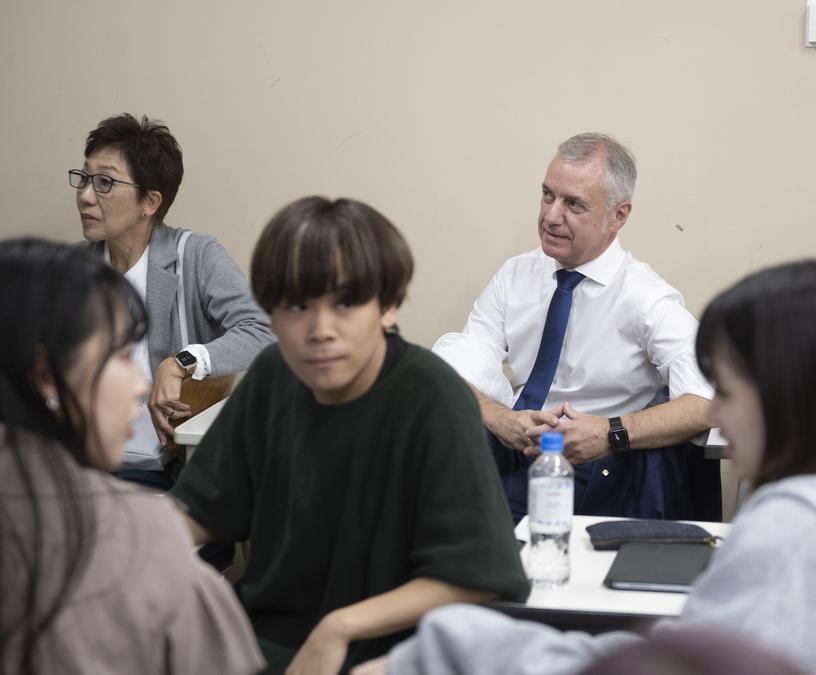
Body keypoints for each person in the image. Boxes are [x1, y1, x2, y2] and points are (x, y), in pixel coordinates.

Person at [367, 260, 816, 675]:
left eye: (728, 391)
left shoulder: (797, 526)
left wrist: (439, 646)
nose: (713, 412)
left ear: (789, 395)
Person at [168, 196, 530, 674]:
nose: (321, 330)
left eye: (345, 303)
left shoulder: (433, 397)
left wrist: (340, 627)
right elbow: (194, 512)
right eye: (297, 306)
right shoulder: (274, 376)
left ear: (387, 306)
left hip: (383, 652)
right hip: (260, 642)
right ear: (271, 317)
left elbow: (478, 575)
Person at [0, 239, 263, 674]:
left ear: (150, 201)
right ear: (46, 375)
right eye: (122, 357)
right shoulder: (142, 535)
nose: (139, 385)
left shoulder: (196, 254)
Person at [433, 132, 717, 521]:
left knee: (452, 516)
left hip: (592, 476)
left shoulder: (646, 297)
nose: (551, 216)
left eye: (574, 204)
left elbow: (707, 401)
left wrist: (612, 432)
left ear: (618, 215)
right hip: (509, 455)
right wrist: (501, 419)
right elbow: (452, 373)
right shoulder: (516, 275)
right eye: (548, 195)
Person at [72, 113, 273, 490]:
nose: (84, 195)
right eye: (83, 178)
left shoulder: (195, 255)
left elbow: (264, 331)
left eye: (104, 182)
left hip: (164, 473)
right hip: (78, 466)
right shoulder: (73, 269)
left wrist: (181, 362)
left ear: (149, 201)